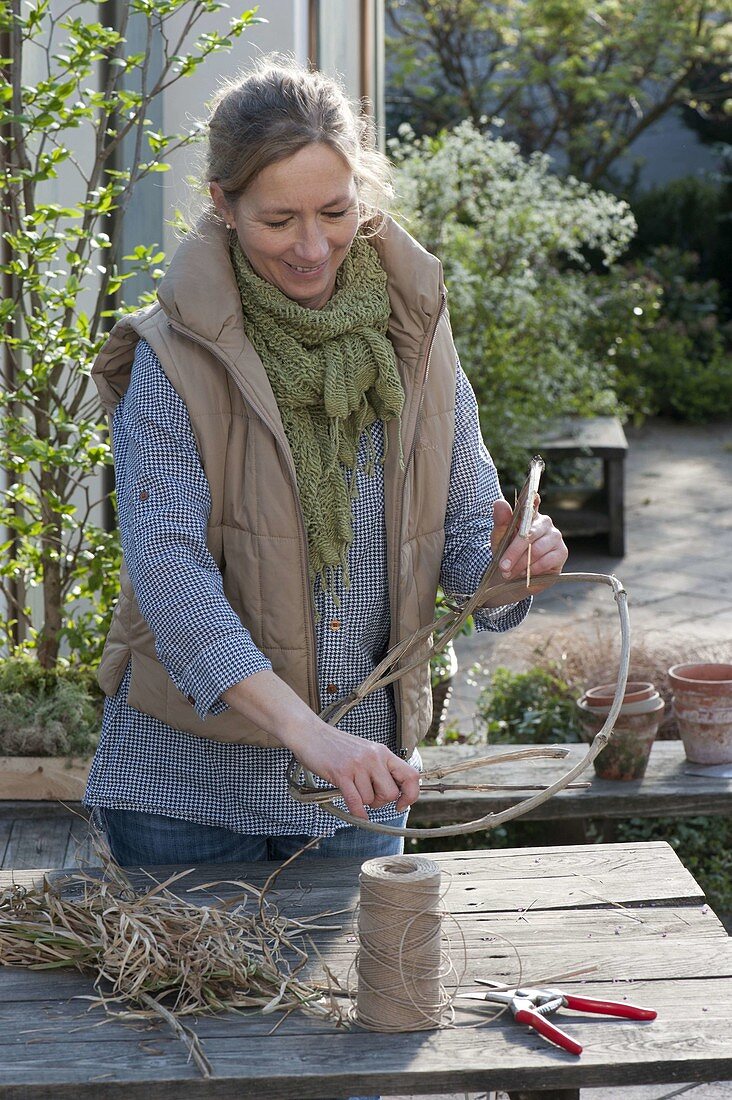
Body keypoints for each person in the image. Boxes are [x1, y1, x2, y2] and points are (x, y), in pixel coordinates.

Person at [86, 57, 568, 867]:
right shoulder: (173, 354)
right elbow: (170, 578)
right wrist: (313, 738)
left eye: (335, 211)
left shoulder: (416, 336)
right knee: (193, 1000)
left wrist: (510, 568)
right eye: (279, 221)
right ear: (224, 207)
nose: (313, 248)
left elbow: (461, 550)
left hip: (361, 793)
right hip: (183, 794)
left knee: (359, 998)